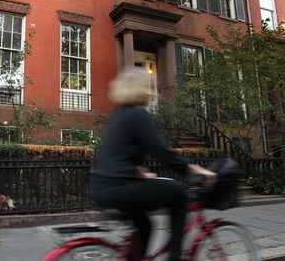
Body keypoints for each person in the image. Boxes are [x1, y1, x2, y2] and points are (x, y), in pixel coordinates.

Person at [92, 68, 216, 261]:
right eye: (149, 87)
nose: (152, 91)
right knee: (180, 194)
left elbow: (121, 155)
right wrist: (195, 168)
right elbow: (163, 153)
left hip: (103, 187)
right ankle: (174, 256)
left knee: (145, 226)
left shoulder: (117, 116)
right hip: (121, 188)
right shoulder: (138, 116)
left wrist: (142, 173)